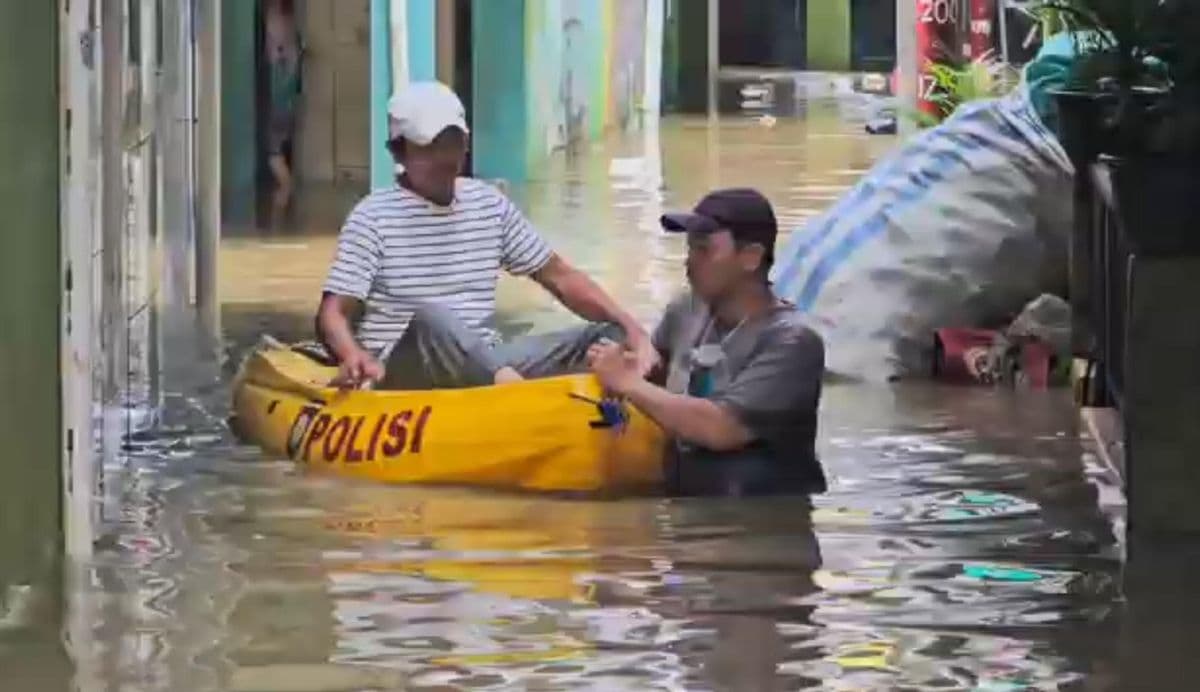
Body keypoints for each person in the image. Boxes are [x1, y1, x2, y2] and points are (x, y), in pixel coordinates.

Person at [316, 81, 657, 391]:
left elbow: (560, 277)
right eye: (429, 147)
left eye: (451, 144)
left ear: (465, 143)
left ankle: (515, 389)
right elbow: (333, 314)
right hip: (407, 372)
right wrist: (353, 355)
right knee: (433, 320)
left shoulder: (488, 204)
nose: (444, 158)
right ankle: (518, 397)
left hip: (489, 362)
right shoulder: (372, 217)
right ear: (398, 152)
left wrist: (633, 330)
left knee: (609, 335)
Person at [587, 189, 827, 496]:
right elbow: (656, 379)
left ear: (751, 257)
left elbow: (722, 428)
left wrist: (627, 382)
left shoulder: (792, 341)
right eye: (689, 249)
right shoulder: (685, 311)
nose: (689, 262)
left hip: (761, 514)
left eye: (703, 250)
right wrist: (634, 368)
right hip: (687, 499)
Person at [264, 0, 302, 224]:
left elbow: (277, 54)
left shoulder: (280, 32)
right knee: (276, 149)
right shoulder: (289, 28)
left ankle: (286, 190)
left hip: (281, 101)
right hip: (285, 101)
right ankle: (285, 195)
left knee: (274, 152)